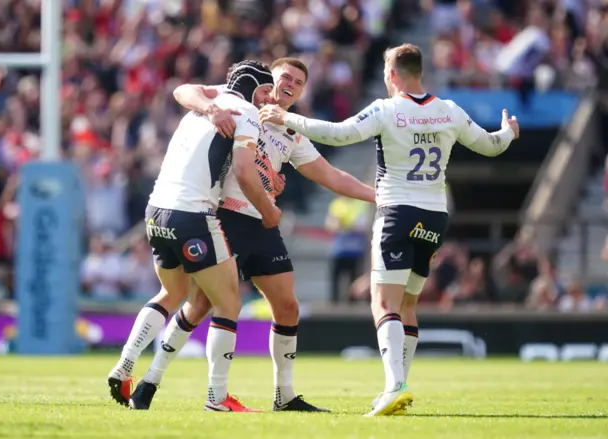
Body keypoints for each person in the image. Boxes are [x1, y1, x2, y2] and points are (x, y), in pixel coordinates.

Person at [258, 43, 520, 416]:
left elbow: (338, 134)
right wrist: (508, 132)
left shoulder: (386, 109)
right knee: (408, 304)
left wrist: (288, 119)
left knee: (383, 303)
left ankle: (394, 385)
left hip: (397, 212)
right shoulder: (448, 110)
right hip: (434, 217)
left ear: (393, 74)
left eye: (385, 73)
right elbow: (491, 146)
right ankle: (399, 386)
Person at [128, 57, 375, 412]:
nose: (290, 85)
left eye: (299, 82)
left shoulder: (290, 130)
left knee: (287, 306)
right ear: (267, 81)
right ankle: (151, 380)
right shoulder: (239, 105)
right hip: (224, 216)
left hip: (260, 223)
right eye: (285, 77)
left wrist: (375, 195)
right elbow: (184, 90)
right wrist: (213, 110)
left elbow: (331, 176)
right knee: (199, 305)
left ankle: (284, 395)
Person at [107, 60, 278, 413]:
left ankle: (125, 365)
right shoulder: (244, 111)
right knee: (228, 304)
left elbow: (183, 89)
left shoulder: (202, 105)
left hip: (156, 211)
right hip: (194, 215)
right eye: (264, 91)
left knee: (173, 292)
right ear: (251, 87)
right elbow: (245, 172)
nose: (266, 99)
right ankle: (217, 397)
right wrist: (268, 210)